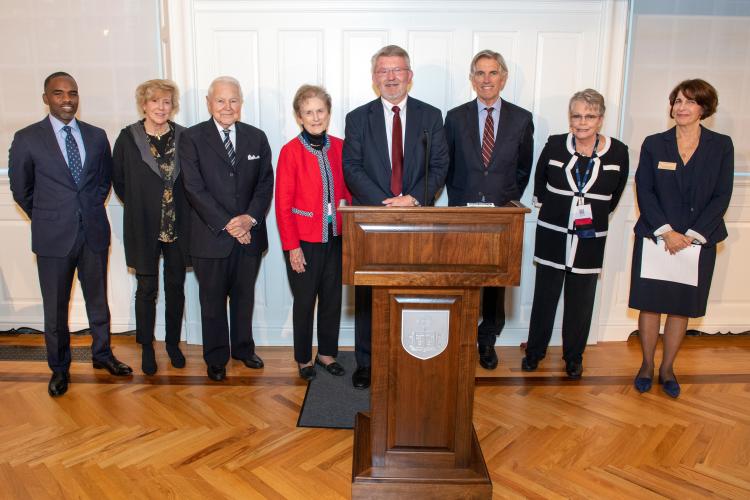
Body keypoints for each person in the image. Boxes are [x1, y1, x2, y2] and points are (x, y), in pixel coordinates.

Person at [8, 72, 132, 397]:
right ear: (46, 97)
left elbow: (103, 182)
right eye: (59, 93)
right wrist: (50, 216)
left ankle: (102, 355)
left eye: (72, 93)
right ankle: (59, 369)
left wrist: (87, 207)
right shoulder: (27, 138)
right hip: (53, 237)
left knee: (98, 301)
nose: (67, 99)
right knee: (56, 308)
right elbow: (22, 191)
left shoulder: (96, 135)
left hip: (93, 231)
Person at [342, 44, 449, 389]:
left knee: (413, 291)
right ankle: (366, 363)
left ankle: (409, 356)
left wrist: (414, 198)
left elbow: (439, 165)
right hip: (372, 220)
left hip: (417, 219)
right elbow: (352, 167)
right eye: (384, 71)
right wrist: (386, 202)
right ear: (374, 79)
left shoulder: (431, 116)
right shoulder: (358, 118)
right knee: (367, 293)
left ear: (409, 76)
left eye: (397, 70)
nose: (391, 77)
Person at [629, 79, 733, 398]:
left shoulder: (721, 145)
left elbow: (721, 194)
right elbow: (643, 189)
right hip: (656, 238)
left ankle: (667, 368)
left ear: (704, 108)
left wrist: (690, 236)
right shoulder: (654, 143)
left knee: (680, 308)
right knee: (650, 306)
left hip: (697, 242)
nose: (681, 107)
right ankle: (646, 365)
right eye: (677, 101)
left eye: (689, 102)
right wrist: (667, 231)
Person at [521, 89, 629, 379]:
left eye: (590, 116)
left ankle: (573, 357)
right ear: (570, 118)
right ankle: (534, 352)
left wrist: (592, 210)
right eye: (577, 116)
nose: (582, 122)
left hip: (589, 237)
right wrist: (554, 208)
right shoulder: (555, 145)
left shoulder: (618, 151)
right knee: (545, 296)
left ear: (601, 119)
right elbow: (540, 179)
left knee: (581, 301)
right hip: (553, 233)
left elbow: (614, 195)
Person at [179, 76, 274, 381]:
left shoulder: (257, 138)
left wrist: (249, 219)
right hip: (211, 238)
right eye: (220, 100)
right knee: (212, 301)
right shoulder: (192, 138)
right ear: (209, 103)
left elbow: (264, 184)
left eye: (233, 100)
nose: (227, 106)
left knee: (244, 297)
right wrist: (229, 224)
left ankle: (243, 350)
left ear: (241, 104)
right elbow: (194, 188)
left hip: (250, 235)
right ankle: (216, 357)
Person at [444, 49, 534, 370]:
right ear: (472, 79)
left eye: (492, 73)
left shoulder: (522, 119)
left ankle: (487, 341)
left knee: (496, 284)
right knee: (464, 280)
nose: (486, 79)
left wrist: (506, 199)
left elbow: (523, 168)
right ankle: (463, 338)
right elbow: (446, 164)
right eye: (480, 73)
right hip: (463, 214)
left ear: (503, 78)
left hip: (501, 216)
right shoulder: (454, 118)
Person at [112, 79, 189, 375]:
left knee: (175, 286)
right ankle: (147, 346)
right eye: (154, 101)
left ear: (173, 106)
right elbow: (119, 180)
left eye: (166, 102)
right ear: (143, 104)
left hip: (179, 225)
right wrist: (142, 203)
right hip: (143, 225)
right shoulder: (127, 138)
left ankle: (172, 345)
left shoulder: (184, 136)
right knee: (146, 289)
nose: (160, 107)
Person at [275, 85, 352, 381]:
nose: (315, 117)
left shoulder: (341, 146)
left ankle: (327, 353)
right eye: (309, 112)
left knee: (332, 297)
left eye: (320, 110)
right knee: (305, 300)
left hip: (336, 238)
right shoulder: (290, 152)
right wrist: (292, 247)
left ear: (329, 113)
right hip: (303, 241)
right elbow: (282, 205)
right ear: (299, 116)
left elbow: (349, 191)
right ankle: (303, 358)